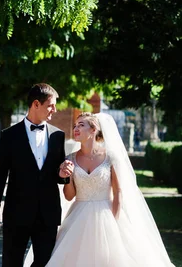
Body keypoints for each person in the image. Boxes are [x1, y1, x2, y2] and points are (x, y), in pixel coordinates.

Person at [38, 112, 174, 267]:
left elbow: (118, 192)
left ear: (93, 129)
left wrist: (114, 222)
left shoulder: (110, 157)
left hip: (107, 214)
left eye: (81, 125)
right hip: (78, 217)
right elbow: (69, 196)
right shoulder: (69, 159)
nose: (76, 128)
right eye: (75, 125)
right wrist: (67, 177)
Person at [0, 83, 74, 267]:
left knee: (45, 262)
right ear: (36, 104)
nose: (55, 110)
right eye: (51, 105)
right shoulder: (10, 136)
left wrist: (63, 174)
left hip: (47, 214)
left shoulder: (58, 136)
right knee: (11, 263)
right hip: (17, 213)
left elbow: (59, 176)